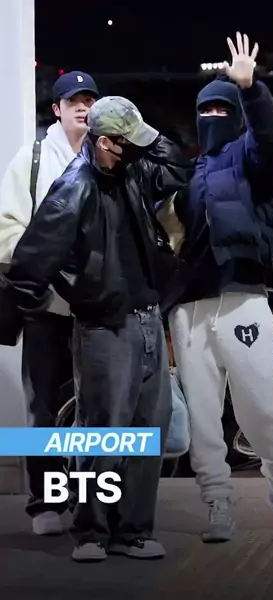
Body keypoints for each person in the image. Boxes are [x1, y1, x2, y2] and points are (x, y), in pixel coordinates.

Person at [1, 96, 192, 562]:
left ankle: (133, 532)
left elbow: (178, 169)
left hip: (148, 320)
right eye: (130, 142)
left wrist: (145, 134)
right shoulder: (74, 188)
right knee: (102, 433)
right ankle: (91, 532)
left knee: (148, 431)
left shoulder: (133, 170)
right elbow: (33, 258)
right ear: (106, 143)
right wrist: (8, 319)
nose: (139, 149)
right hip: (104, 326)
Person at [165, 33, 273, 543]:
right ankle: (217, 500)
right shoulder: (187, 172)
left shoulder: (252, 160)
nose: (213, 116)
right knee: (203, 414)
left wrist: (252, 88)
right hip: (189, 307)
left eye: (223, 108)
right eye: (206, 109)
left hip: (244, 300)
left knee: (261, 402)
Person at [0, 71, 99, 535]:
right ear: (56, 109)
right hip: (45, 305)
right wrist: (43, 269)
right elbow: (7, 227)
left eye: (89, 100)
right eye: (73, 100)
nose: (82, 107)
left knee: (95, 408)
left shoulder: (107, 154)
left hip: (95, 305)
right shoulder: (34, 158)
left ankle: (90, 502)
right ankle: (44, 502)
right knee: (42, 406)